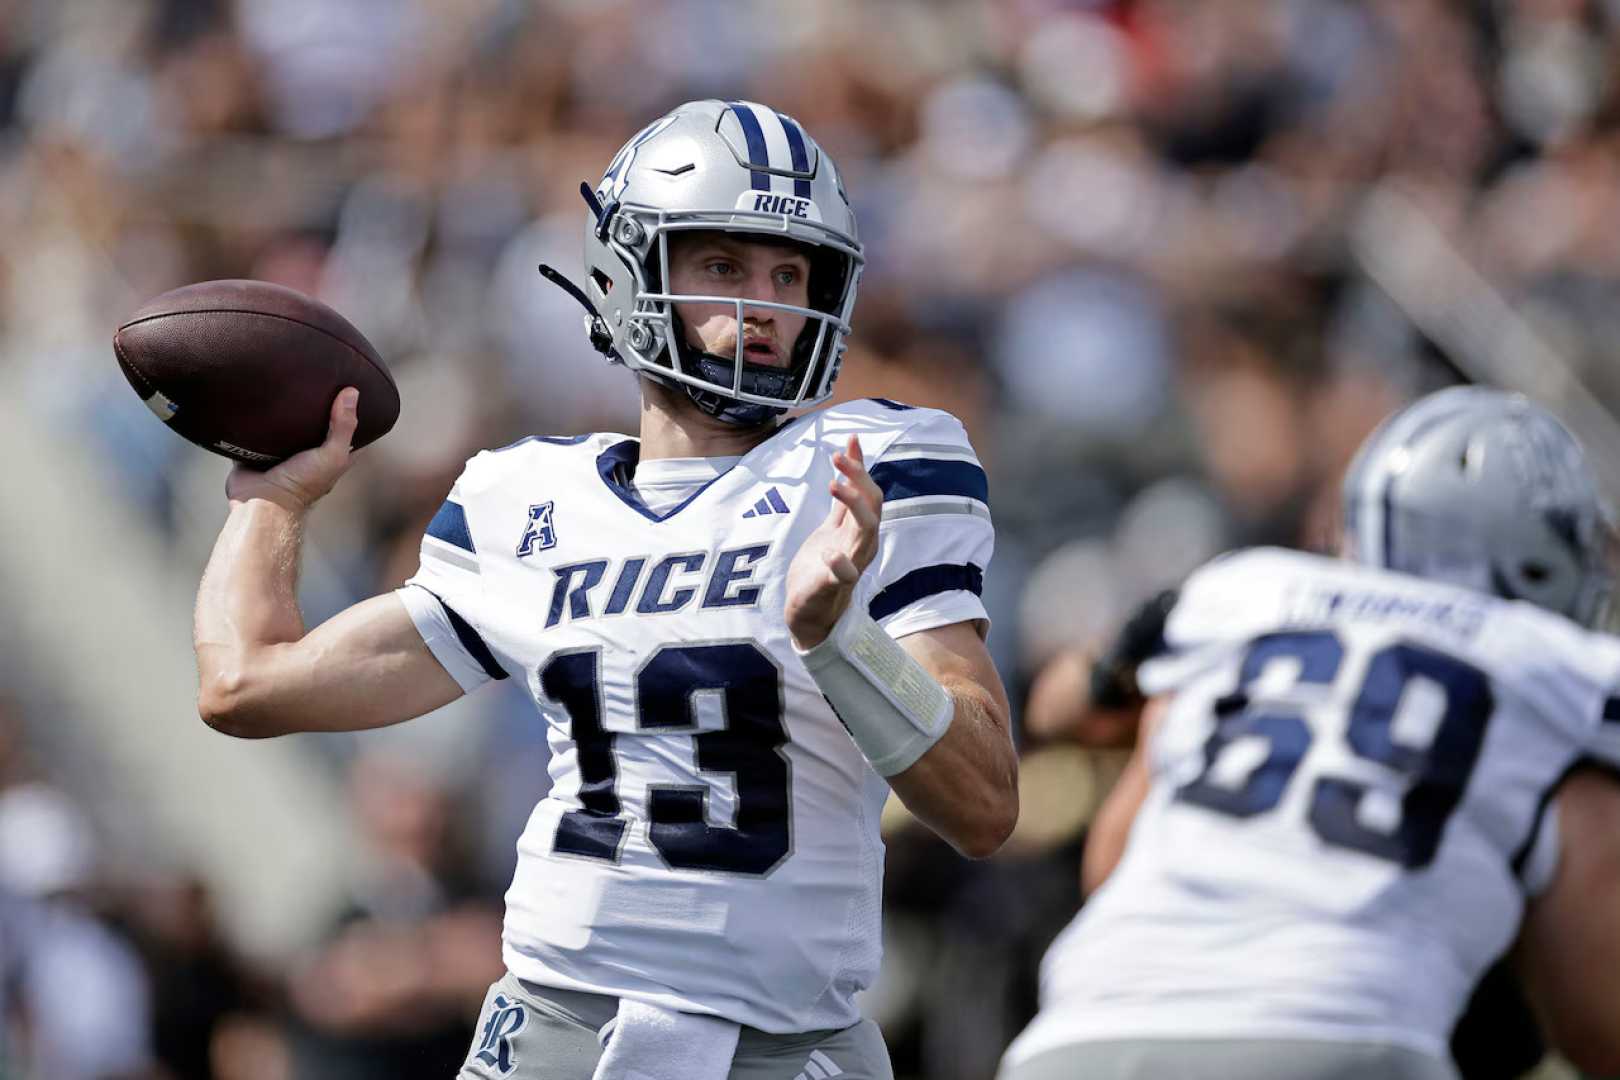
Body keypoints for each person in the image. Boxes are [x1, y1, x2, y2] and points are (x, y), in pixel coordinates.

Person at [193, 98, 1018, 1080]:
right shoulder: (525, 497)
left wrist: (841, 640)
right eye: (723, 265)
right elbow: (247, 683)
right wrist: (271, 499)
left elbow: (984, 804)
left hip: (785, 1048)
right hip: (553, 1030)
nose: (765, 305)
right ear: (631, 272)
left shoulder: (873, 464)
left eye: (790, 272)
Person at [999, 386, 1620, 1080]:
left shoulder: (1241, 599)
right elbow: (1601, 1029)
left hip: (1086, 1032)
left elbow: (1104, 852)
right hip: (1343, 1037)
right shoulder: (1557, 674)